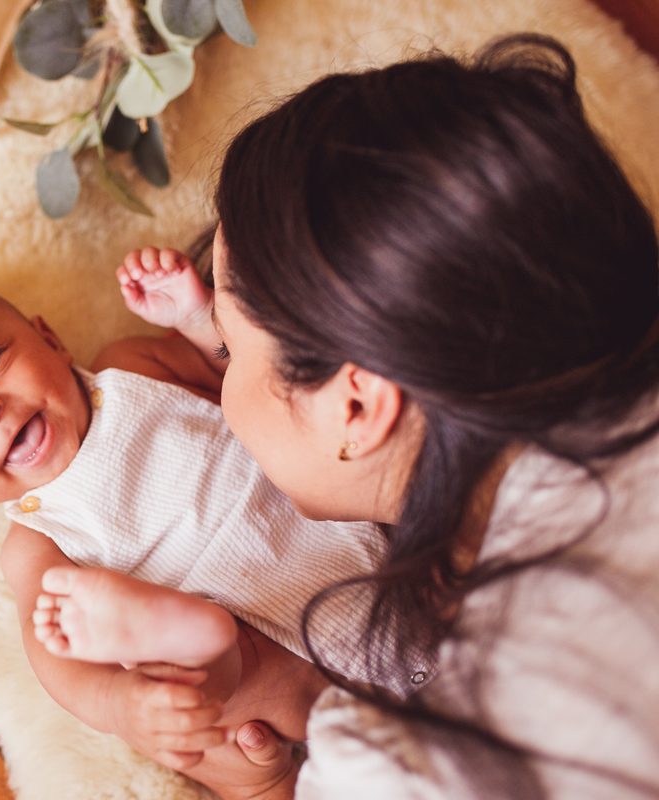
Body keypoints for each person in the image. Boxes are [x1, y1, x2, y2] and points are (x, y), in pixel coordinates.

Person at [160, 32, 659, 799]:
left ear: (356, 406)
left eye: (228, 346)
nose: (218, 376)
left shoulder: (402, 760)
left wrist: (255, 786)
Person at [0, 257, 392, 799]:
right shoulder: (38, 541)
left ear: (49, 340)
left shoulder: (135, 366)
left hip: (365, 540)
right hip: (275, 664)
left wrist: (199, 320)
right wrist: (119, 704)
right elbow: (56, 657)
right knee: (197, 699)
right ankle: (185, 638)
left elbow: (242, 372)